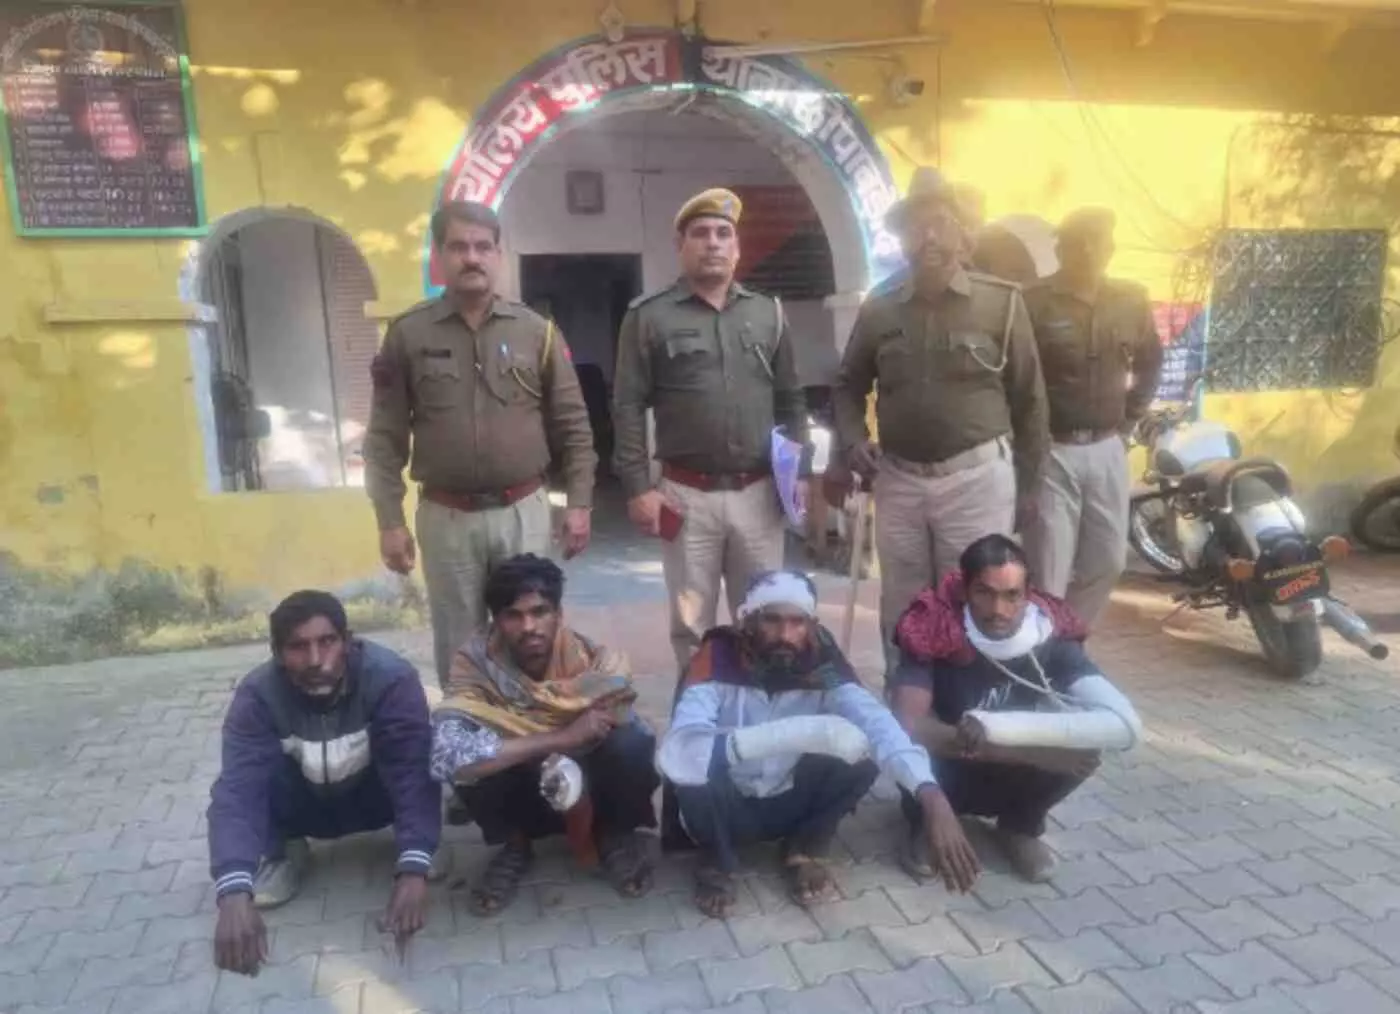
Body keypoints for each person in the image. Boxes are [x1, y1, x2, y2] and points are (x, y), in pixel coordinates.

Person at [362, 200, 597, 689]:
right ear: (438, 255)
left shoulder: (537, 333)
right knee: (460, 648)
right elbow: (384, 438)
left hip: (523, 511)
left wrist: (579, 502)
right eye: (458, 247)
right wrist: (389, 520)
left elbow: (573, 425)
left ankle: (535, 730)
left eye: (483, 247)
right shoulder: (408, 334)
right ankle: (468, 732)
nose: (472, 257)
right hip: (447, 519)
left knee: (533, 638)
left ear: (498, 254)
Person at [832, 167, 1049, 677]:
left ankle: (967, 698)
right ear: (902, 239)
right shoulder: (880, 309)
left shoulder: (1002, 303)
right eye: (915, 227)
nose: (928, 237)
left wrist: (1031, 484)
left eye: (939, 224)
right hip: (900, 479)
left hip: (976, 478)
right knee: (903, 599)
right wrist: (854, 440)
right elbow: (846, 384)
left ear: (962, 232)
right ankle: (905, 694)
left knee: (976, 593)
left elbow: (1031, 399)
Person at [657, 570, 966, 918]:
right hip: (725, 805)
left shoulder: (823, 666)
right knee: (695, 764)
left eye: (797, 622)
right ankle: (717, 859)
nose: (785, 635)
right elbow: (682, 751)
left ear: (812, 625)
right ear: (748, 621)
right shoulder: (716, 660)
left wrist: (929, 792)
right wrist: (797, 733)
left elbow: (877, 721)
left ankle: (804, 846)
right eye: (771, 620)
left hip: (789, 799)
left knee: (863, 746)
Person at [612, 188, 808, 675]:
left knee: (764, 614)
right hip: (686, 496)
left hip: (759, 493)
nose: (713, 243)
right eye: (701, 233)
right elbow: (628, 405)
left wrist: (800, 473)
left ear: (737, 248)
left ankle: (758, 704)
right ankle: (699, 708)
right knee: (691, 624)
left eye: (724, 233)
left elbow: (790, 398)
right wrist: (637, 487)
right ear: (681, 246)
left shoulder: (767, 312)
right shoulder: (649, 316)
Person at [208, 591, 442, 976]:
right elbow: (238, 792)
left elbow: (411, 772)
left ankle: (416, 845)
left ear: (347, 641)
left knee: (423, 758)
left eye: (327, 641)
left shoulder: (390, 678)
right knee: (243, 782)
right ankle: (284, 853)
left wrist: (415, 866)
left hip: (373, 800)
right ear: (277, 652)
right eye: (298, 647)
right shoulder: (257, 696)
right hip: (302, 807)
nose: (316, 660)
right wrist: (232, 892)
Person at [891, 535, 1142, 885]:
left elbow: (1119, 719)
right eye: (984, 593)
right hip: (948, 768)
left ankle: (1019, 826)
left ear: (1028, 594)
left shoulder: (1049, 631)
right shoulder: (933, 627)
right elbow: (910, 726)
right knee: (908, 749)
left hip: (1007, 769)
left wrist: (1033, 747)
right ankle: (929, 821)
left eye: (1012, 595)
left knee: (1086, 745)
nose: (999, 610)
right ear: (964, 591)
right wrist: (1030, 753)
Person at [430, 554, 659, 915]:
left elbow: (622, 711)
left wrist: (575, 742)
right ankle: (515, 843)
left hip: (586, 782)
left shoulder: (591, 661)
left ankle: (613, 834)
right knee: (467, 751)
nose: (529, 627)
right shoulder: (474, 665)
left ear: (559, 614)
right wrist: (561, 738)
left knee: (633, 742)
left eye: (539, 612)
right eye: (513, 616)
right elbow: (447, 755)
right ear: (496, 621)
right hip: (520, 785)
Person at [1022, 207, 1165, 626]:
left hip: (1107, 447)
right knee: (1049, 567)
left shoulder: (1130, 300)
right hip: (1052, 452)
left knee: (1108, 561)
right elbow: (1016, 377)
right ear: (1063, 249)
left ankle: (1065, 637)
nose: (1090, 251)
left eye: (1099, 242)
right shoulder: (1032, 302)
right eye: (1078, 243)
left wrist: (1129, 420)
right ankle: (1045, 650)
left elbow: (1150, 362)